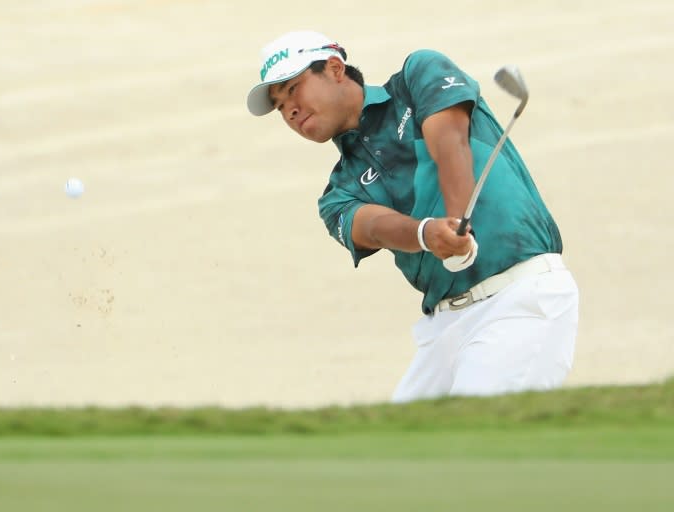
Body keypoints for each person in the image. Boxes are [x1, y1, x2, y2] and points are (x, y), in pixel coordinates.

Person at [246, 30, 579, 402]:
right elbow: (372, 227)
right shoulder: (337, 193)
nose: (288, 110)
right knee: (396, 450)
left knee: (473, 443)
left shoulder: (417, 76)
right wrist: (426, 234)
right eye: (278, 106)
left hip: (518, 298)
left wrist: (456, 224)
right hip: (443, 327)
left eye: (293, 88)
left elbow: (449, 143)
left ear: (335, 68)